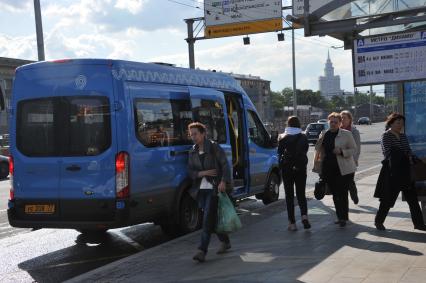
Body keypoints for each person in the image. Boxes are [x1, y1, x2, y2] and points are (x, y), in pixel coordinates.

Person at [187, 122, 232, 262]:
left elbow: (225, 165)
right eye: (191, 134)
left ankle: (202, 250)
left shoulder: (213, 147)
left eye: (195, 134)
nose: (193, 137)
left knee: (206, 221)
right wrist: (202, 173)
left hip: (214, 189)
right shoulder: (192, 151)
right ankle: (225, 241)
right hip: (200, 191)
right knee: (211, 219)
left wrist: (223, 181)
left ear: (203, 133)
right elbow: (190, 171)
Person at [374, 113, 426, 231]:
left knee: (412, 199)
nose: (400, 125)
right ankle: (378, 221)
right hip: (392, 171)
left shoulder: (403, 136)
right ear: (391, 123)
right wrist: (404, 155)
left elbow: (408, 151)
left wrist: (414, 158)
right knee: (387, 199)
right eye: (398, 123)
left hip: (406, 171)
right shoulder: (386, 135)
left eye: (402, 123)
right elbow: (388, 152)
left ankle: (418, 224)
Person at [313, 112, 357, 227]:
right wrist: (320, 139)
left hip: (343, 169)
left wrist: (342, 151)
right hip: (328, 168)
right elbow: (317, 149)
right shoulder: (324, 134)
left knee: (342, 193)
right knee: (334, 193)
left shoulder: (346, 134)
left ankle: (343, 217)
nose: (332, 124)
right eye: (331, 122)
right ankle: (339, 216)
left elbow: (353, 149)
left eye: (335, 122)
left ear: (340, 123)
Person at [277, 116, 310, 231]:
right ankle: (304, 216)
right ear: (298, 124)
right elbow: (305, 151)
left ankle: (292, 223)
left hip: (287, 169)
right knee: (301, 194)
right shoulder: (303, 137)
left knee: (289, 196)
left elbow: (279, 153)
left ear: (288, 124)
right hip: (300, 168)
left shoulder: (282, 137)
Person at [340, 110, 361, 205]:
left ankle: (353, 194)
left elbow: (357, 147)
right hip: (339, 160)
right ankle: (343, 203)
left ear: (350, 119)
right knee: (341, 183)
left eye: (345, 118)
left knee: (349, 181)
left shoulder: (354, 131)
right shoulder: (337, 130)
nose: (342, 120)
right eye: (341, 118)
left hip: (350, 160)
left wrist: (355, 159)